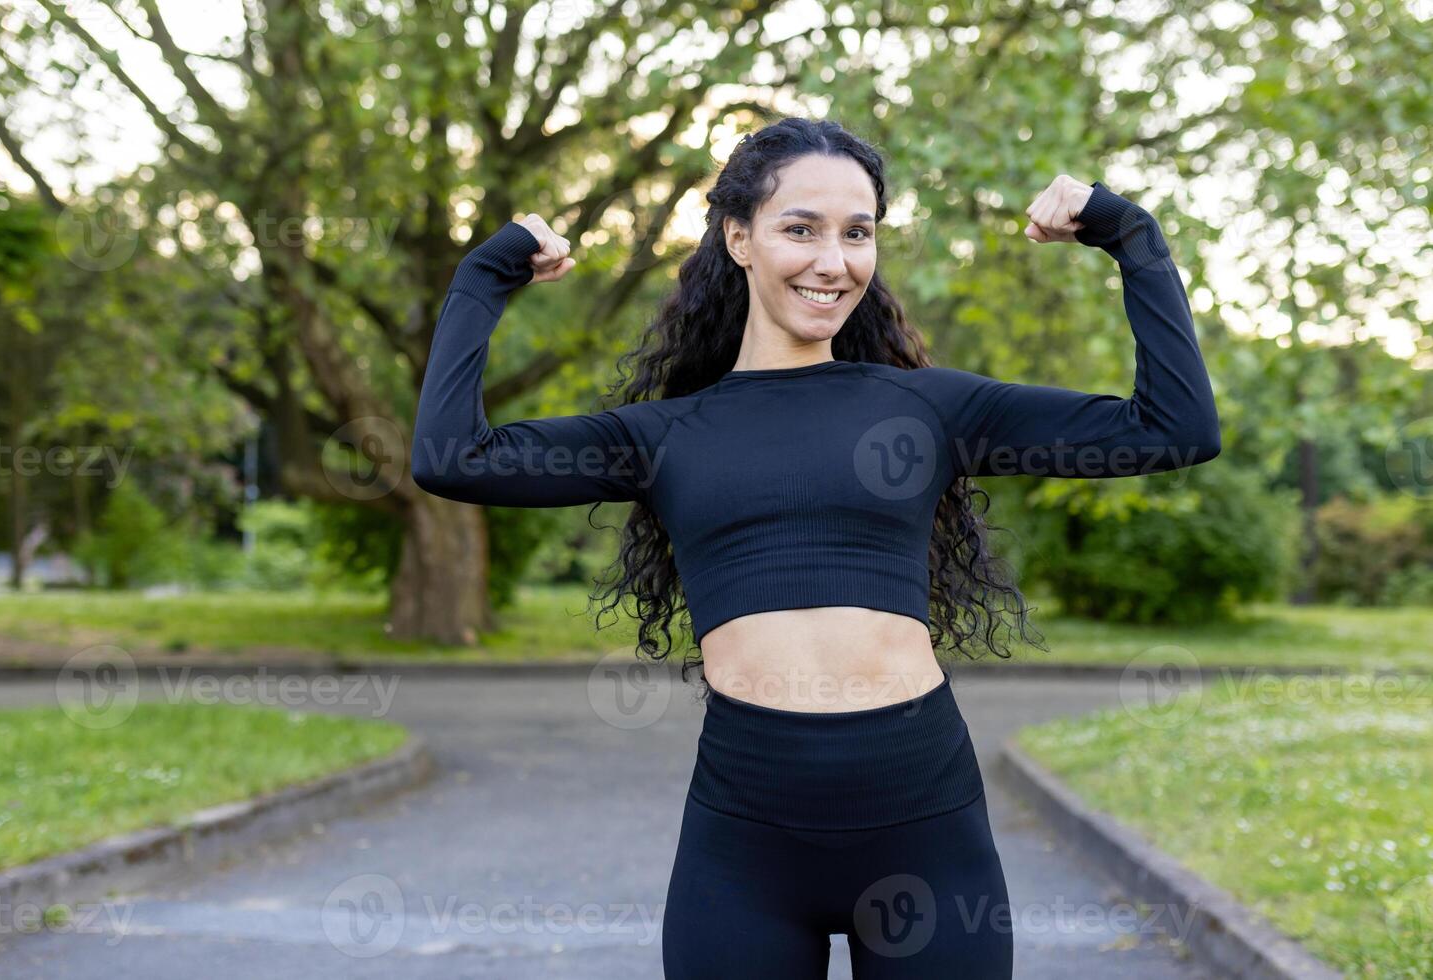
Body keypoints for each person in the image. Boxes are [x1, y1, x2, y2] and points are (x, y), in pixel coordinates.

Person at [411, 116, 1220, 979]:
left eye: (857, 233)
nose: (833, 262)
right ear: (739, 237)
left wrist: (1132, 238)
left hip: (924, 831)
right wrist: (482, 277)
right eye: (801, 228)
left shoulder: (929, 409)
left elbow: (1173, 429)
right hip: (747, 844)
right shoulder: (663, 435)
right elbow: (453, 458)